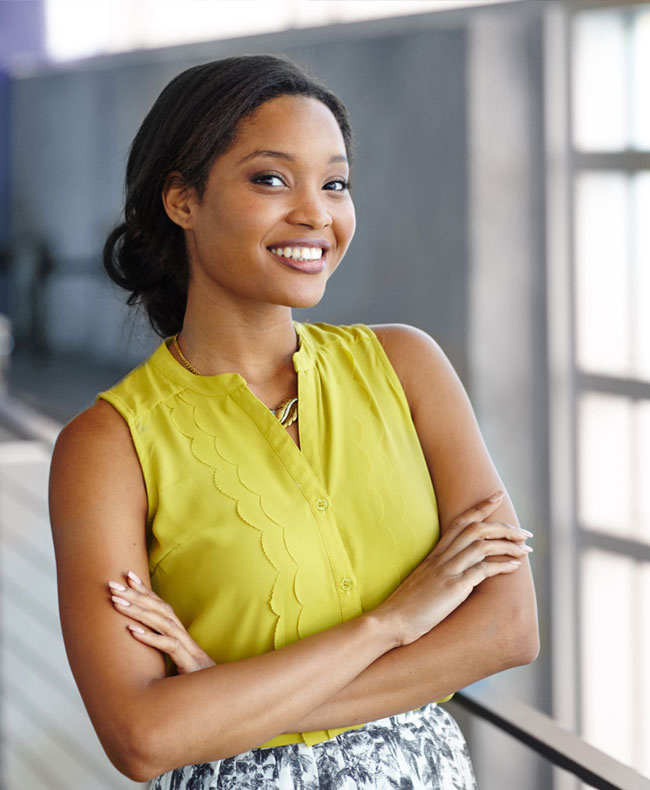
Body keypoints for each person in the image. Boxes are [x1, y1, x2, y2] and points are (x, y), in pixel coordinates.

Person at [49, 55, 539, 789]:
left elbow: (507, 629)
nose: (317, 213)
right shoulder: (108, 446)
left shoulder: (408, 367)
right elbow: (144, 738)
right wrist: (393, 624)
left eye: (335, 182)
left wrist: (231, 704)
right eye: (271, 179)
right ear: (182, 199)